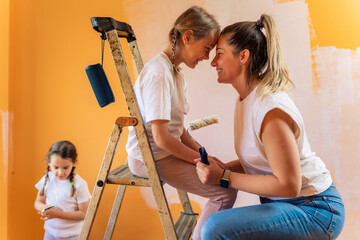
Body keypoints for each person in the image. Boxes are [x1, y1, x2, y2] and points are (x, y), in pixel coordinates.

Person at [196, 14, 345, 239]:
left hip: (315, 209)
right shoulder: (246, 100)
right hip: (288, 204)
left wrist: (223, 176)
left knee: (214, 228)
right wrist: (224, 167)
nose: (213, 62)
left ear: (243, 56)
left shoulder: (270, 111)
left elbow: (289, 185)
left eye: (219, 54)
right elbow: (262, 159)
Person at [125, 6, 237, 240]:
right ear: (187, 37)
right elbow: (161, 137)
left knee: (224, 180)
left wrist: (205, 155)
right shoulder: (159, 74)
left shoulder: (174, 73)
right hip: (150, 157)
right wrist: (199, 160)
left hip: (163, 152)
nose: (207, 57)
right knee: (224, 192)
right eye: (207, 48)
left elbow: (179, 131)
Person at [34, 141, 91, 240]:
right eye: (55, 167)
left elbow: (84, 214)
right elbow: (38, 202)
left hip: (73, 235)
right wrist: (43, 208)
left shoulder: (80, 184)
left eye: (65, 167)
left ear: (74, 163)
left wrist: (58, 214)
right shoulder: (47, 179)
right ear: (49, 163)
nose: (60, 172)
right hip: (50, 233)